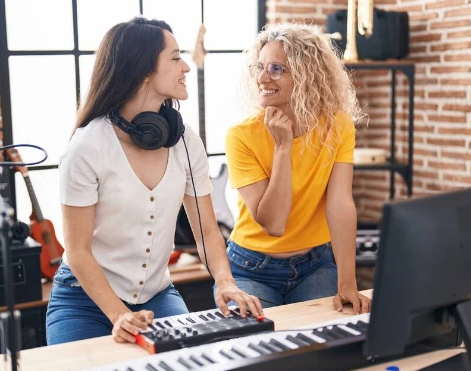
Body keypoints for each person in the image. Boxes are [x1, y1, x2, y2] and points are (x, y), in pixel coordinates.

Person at [46, 17, 262, 346]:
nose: (186, 67)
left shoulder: (186, 142)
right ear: (144, 70)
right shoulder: (87, 147)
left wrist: (225, 281)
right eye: (175, 57)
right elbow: (76, 251)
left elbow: (205, 231)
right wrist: (119, 315)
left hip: (158, 297)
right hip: (83, 301)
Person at [224, 23, 371, 313]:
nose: (262, 78)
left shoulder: (337, 124)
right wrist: (282, 147)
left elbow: (340, 204)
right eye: (260, 67)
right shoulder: (241, 136)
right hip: (251, 268)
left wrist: (347, 283)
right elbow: (274, 223)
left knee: (327, 345)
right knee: (260, 350)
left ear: (305, 77)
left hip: (315, 264)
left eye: (276, 69)